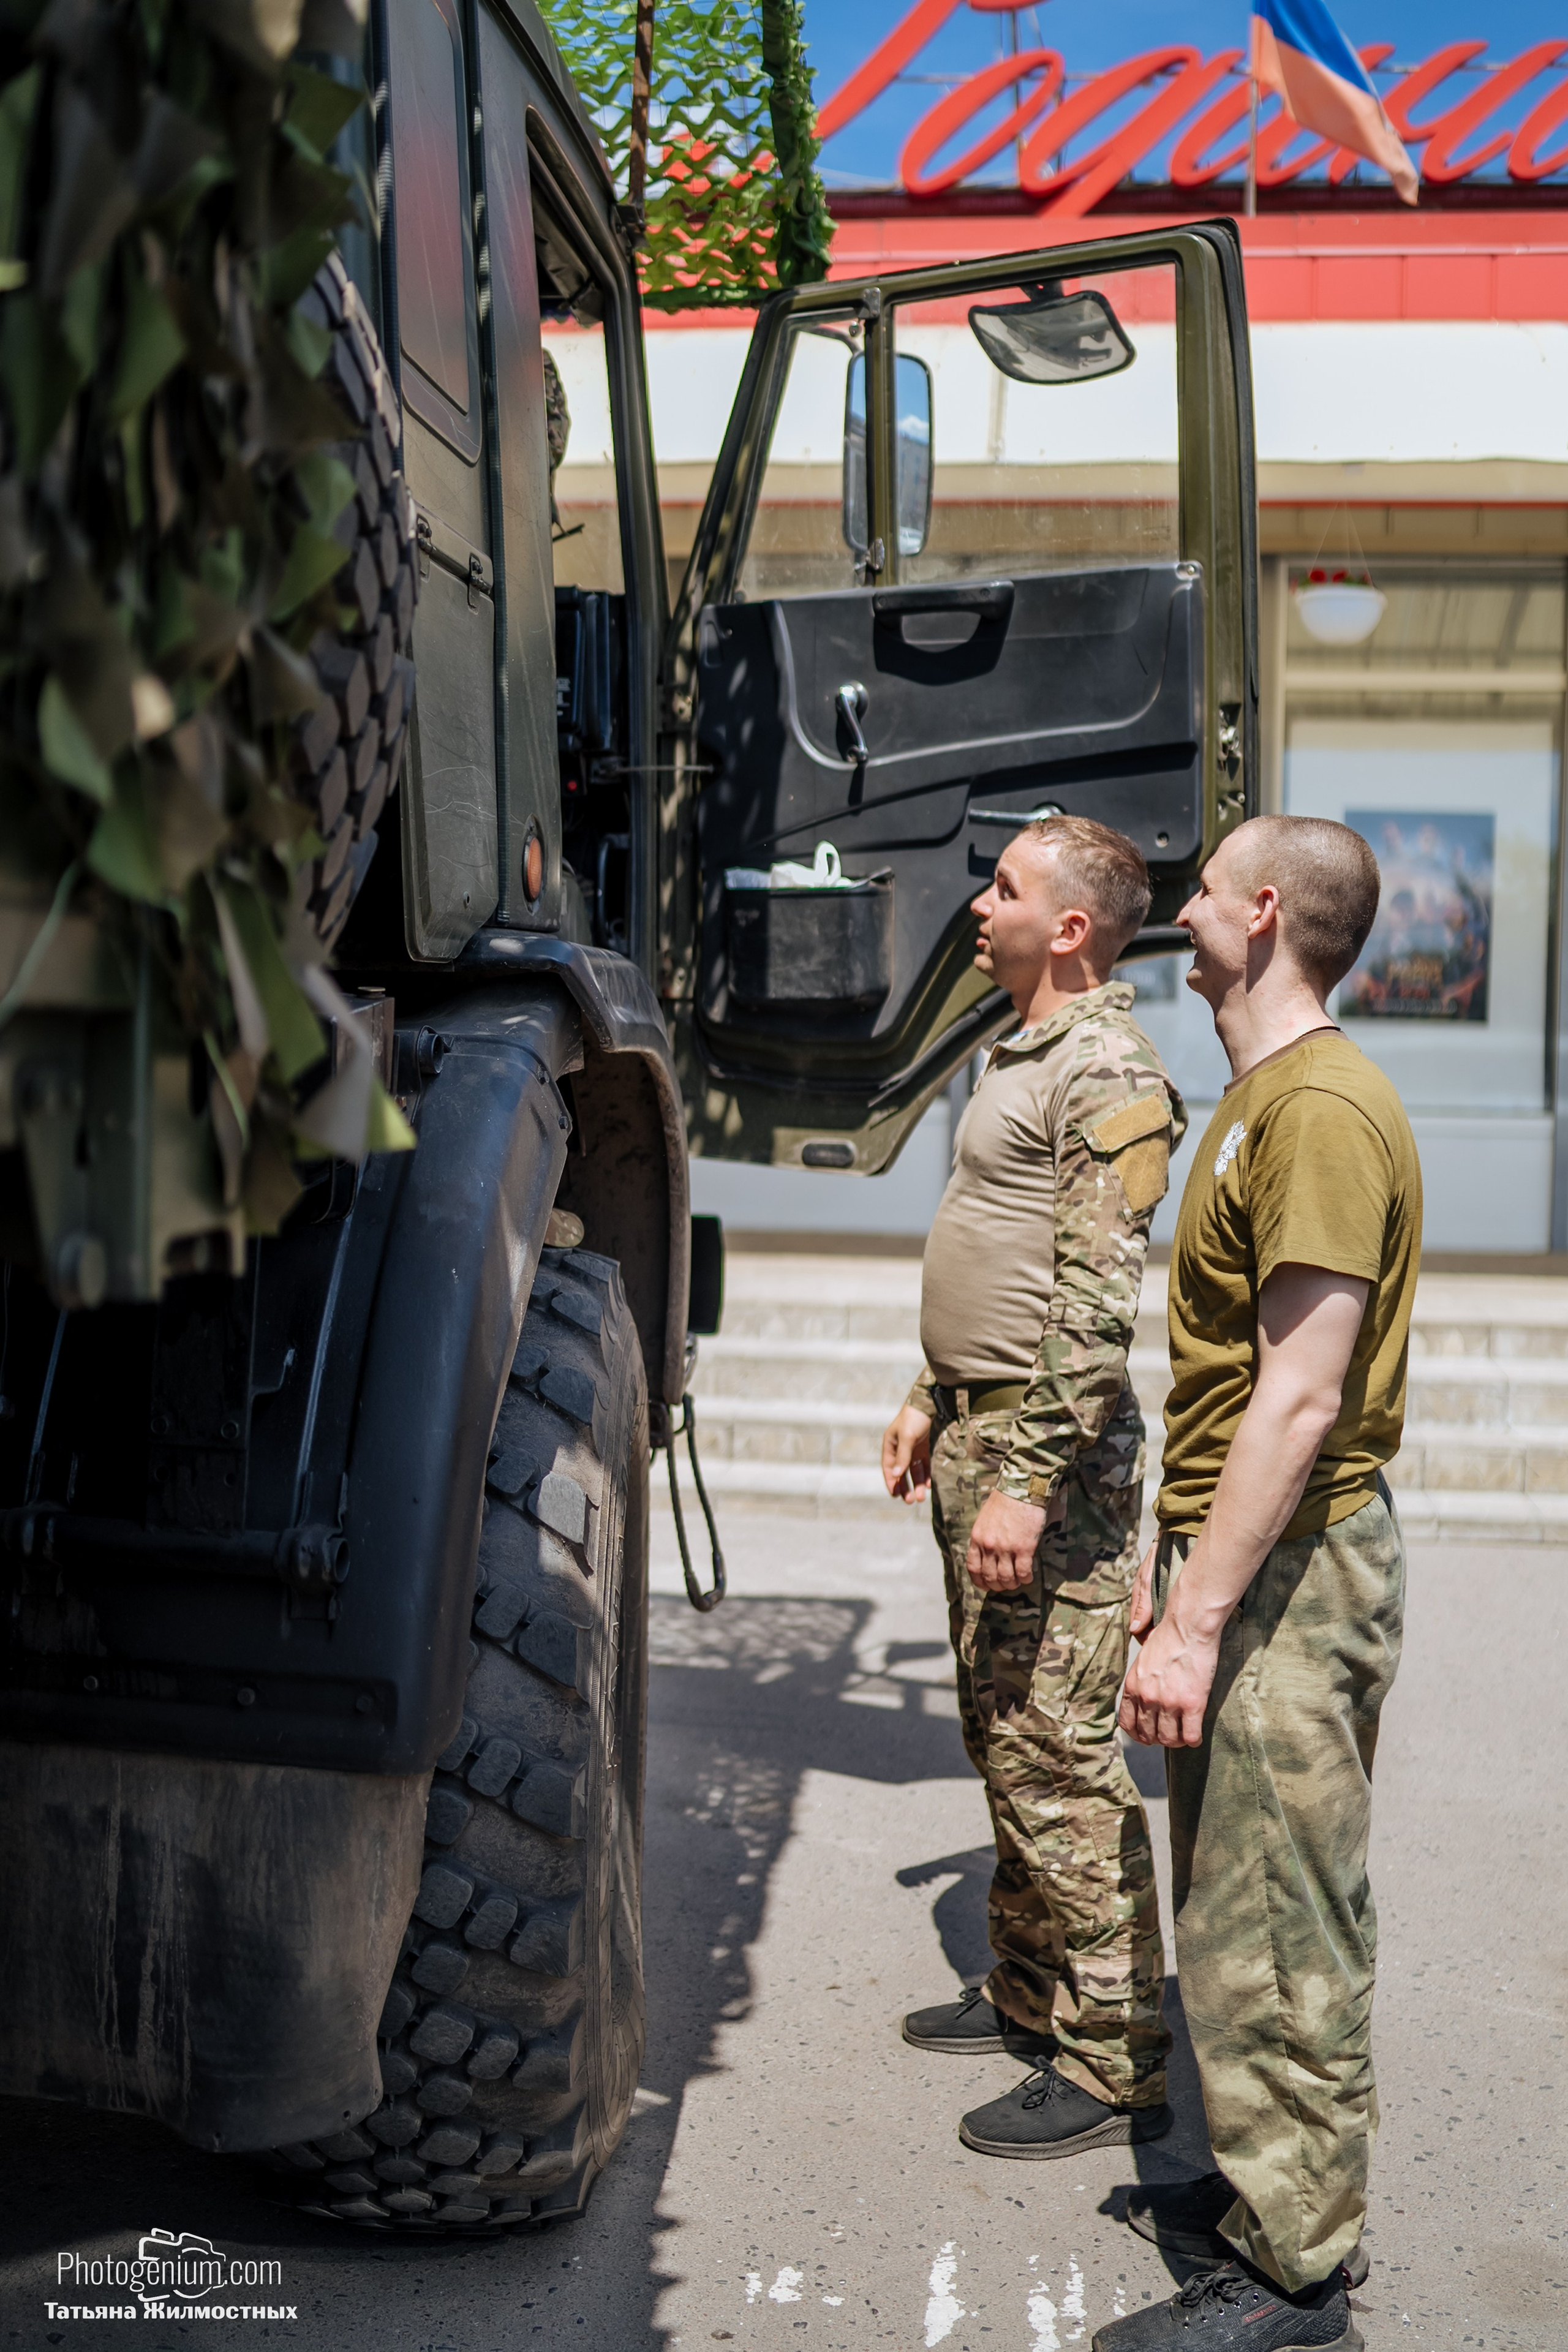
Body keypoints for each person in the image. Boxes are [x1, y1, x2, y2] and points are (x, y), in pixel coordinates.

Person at [1091, 815, 1420, 2352]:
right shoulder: (1256, 1099)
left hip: (1285, 1570)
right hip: (1240, 1551)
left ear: (1263, 912)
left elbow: (1297, 1394)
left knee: (1283, 1923)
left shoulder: (1324, 1112)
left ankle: (1297, 2274)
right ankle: (1260, 2184)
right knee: (1233, 1914)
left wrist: (1191, 1616)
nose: (1180, 905)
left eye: (1203, 887)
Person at [881, 814, 1186, 2161]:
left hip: (1042, 1456)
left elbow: (1091, 1304)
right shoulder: (1017, 1051)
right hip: (978, 1427)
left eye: (1003, 887)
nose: (978, 904)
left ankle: (1117, 2057)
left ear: (1069, 927)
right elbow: (991, 1253)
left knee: (1060, 1756)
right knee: (996, 1727)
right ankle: (1025, 1986)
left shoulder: (1107, 1065)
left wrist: (1021, 1479)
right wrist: (925, 1393)